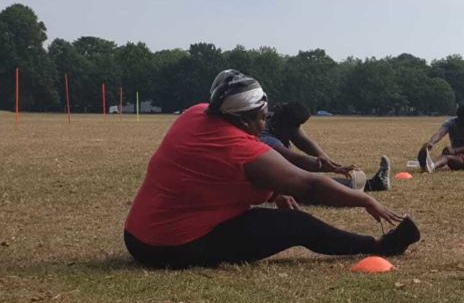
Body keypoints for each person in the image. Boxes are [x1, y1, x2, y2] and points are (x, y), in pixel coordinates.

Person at [123, 69, 420, 269]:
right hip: (170, 248)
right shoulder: (242, 148)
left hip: (137, 236)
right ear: (242, 119)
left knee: (278, 215)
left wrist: (275, 191)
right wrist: (365, 198)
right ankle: (381, 245)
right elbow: (310, 186)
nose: (265, 124)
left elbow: (213, 175)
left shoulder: (194, 114)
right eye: (262, 117)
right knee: (297, 225)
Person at [260, 102, 390, 192]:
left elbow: (303, 141)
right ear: (279, 126)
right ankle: (370, 185)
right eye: (294, 128)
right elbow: (296, 160)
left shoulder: (277, 121)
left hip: (276, 177)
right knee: (306, 183)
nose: (297, 131)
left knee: (305, 180)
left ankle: (373, 184)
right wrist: (333, 168)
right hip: (266, 183)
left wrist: (328, 161)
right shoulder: (264, 137)